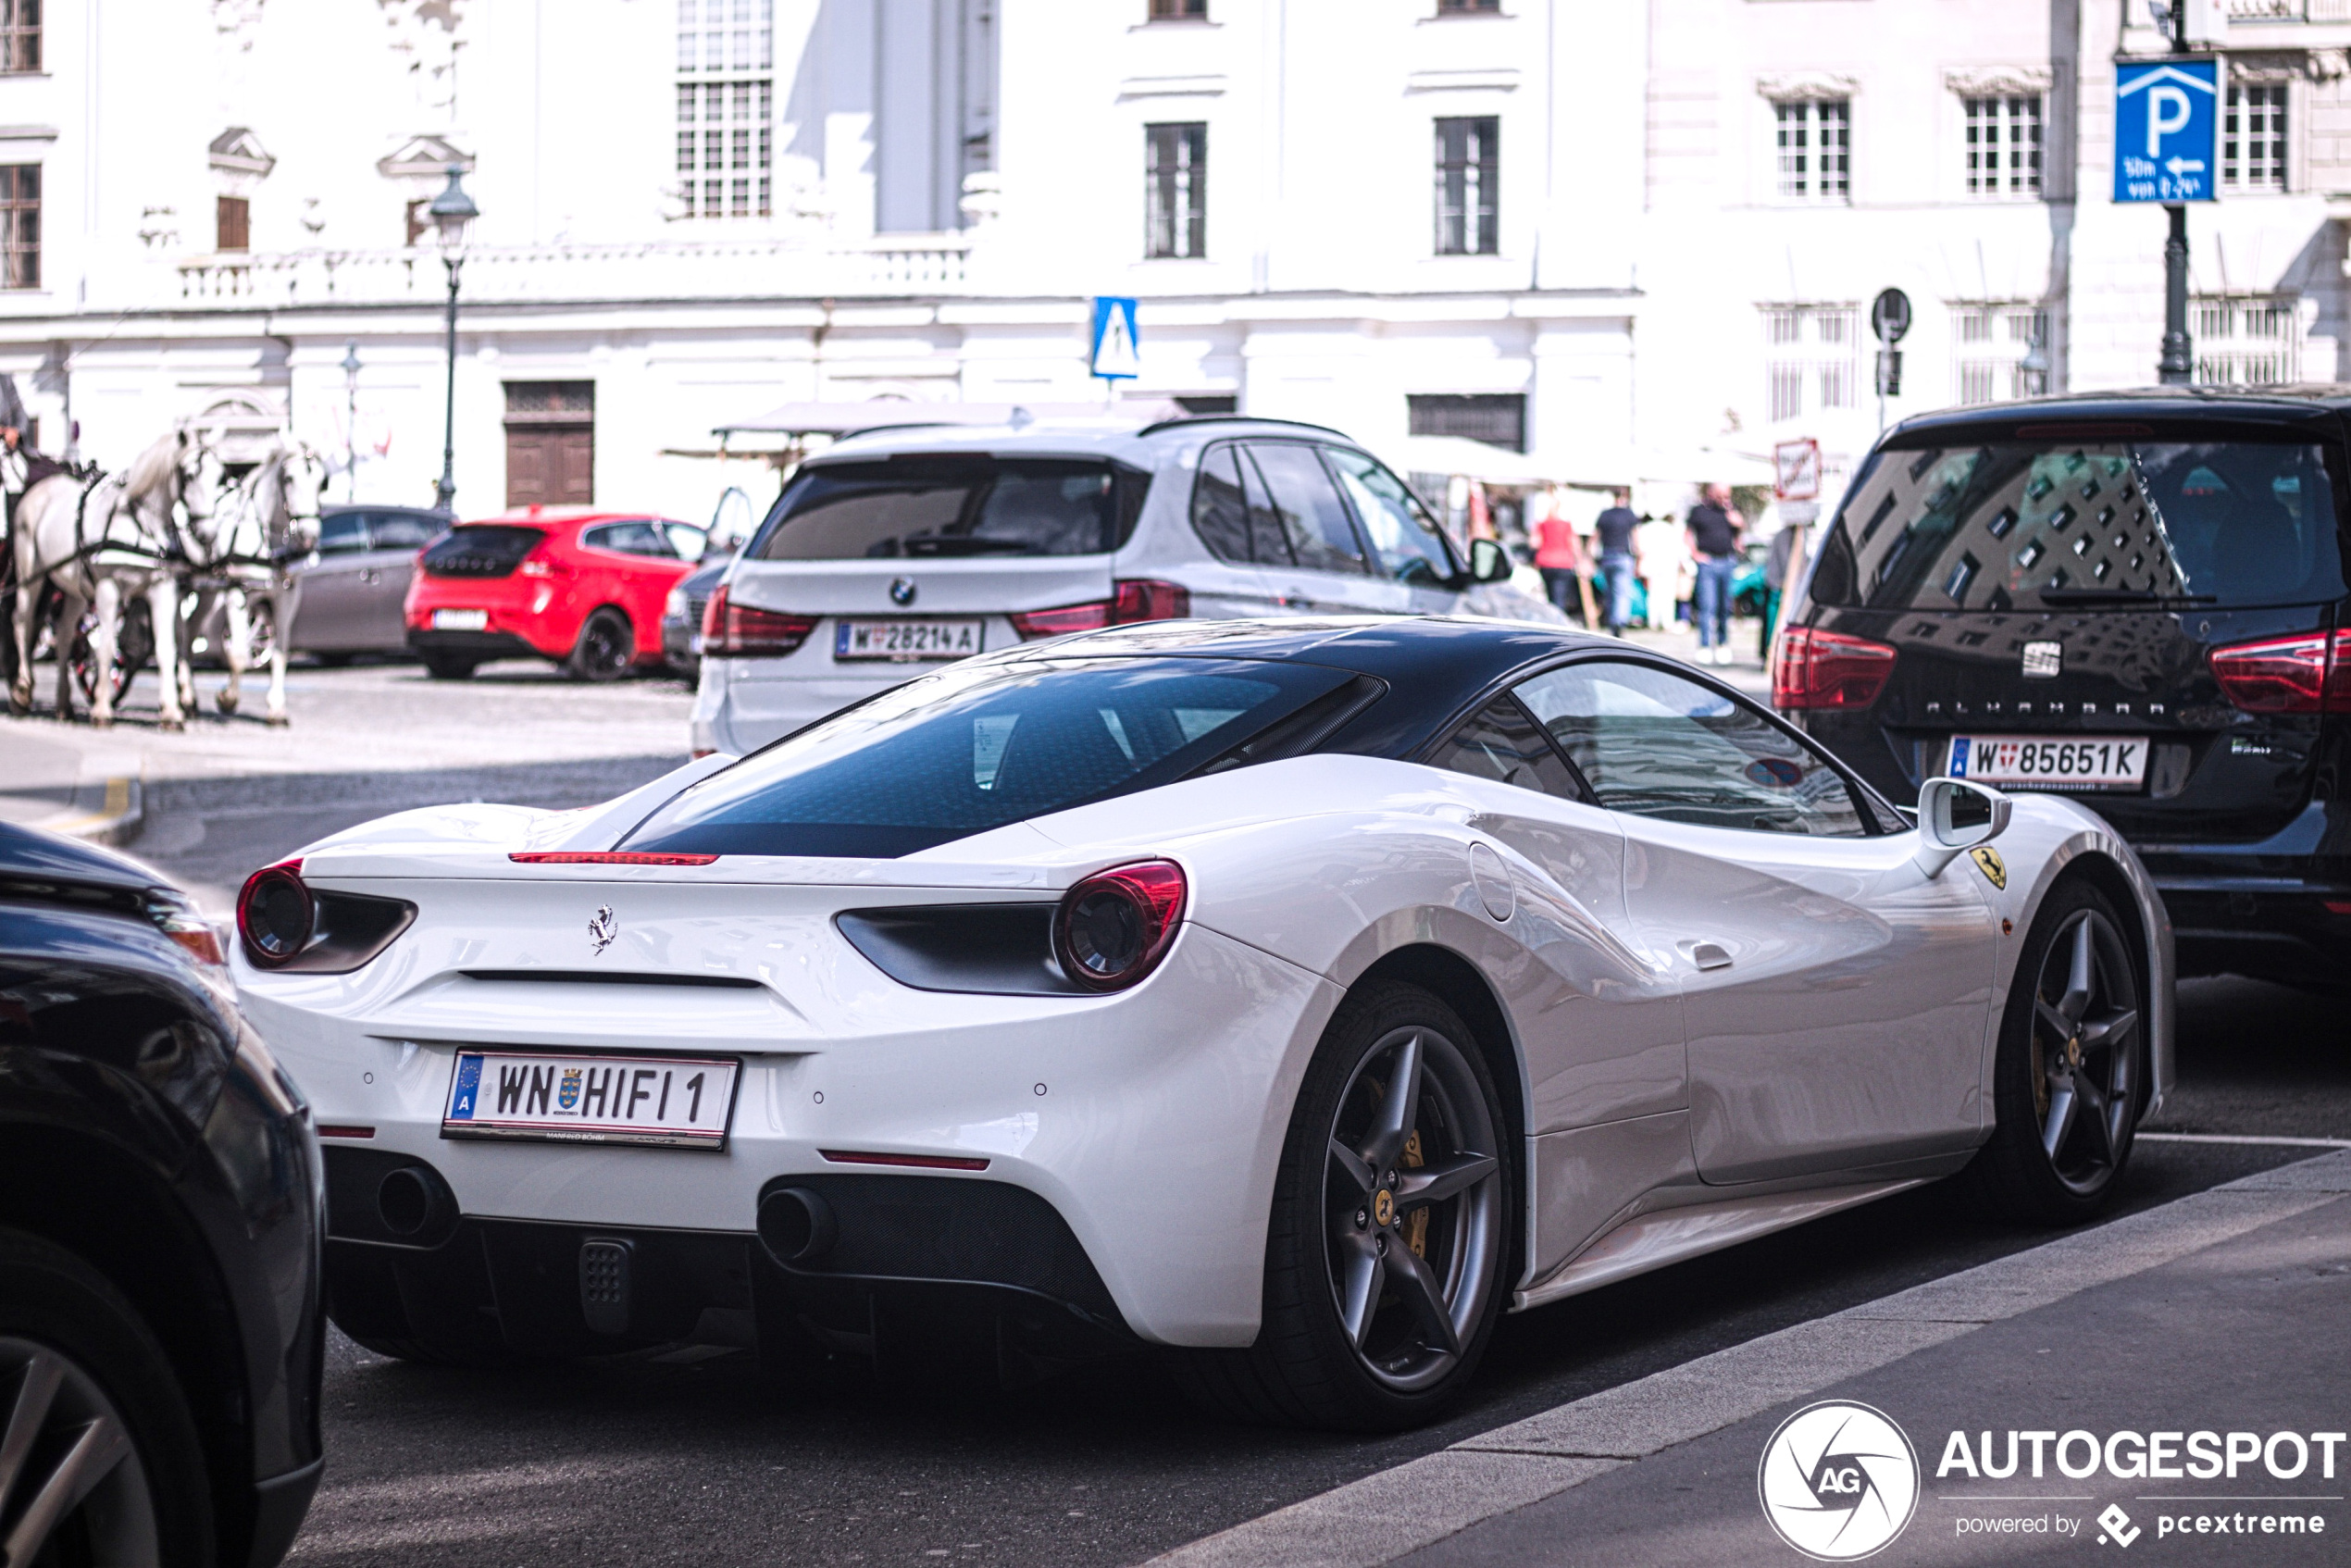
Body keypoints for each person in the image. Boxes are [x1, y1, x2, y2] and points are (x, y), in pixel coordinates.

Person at [1686, 482, 1745, 665]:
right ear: (1711, 494)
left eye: (1727, 495)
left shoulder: (1731, 510)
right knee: (1707, 605)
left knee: (1724, 606)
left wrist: (1737, 521)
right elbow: (1688, 534)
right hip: (1708, 562)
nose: (1724, 499)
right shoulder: (1699, 511)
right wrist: (1695, 554)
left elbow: (1740, 532)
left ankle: (1722, 643)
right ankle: (1704, 645)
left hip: (1727, 561)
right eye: (1721, 495)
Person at [1592, 487, 1640, 633]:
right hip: (1623, 556)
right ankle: (1618, 622)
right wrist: (1638, 556)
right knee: (1621, 592)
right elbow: (1635, 537)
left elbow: (1595, 537)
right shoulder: (1629, 514)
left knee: (1610, 591)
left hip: (1607, 556)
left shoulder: (1604, 515)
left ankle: (1613, 620)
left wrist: (1589, 557)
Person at [1533, 496, 1584, 621]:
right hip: (1563, 563)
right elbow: (1574, 544)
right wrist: (1581, 561)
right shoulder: (1566, 525)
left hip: (1546, 563)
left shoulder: (1542, 524)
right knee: (1559, 597)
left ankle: (1553, 621)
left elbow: (1534, 543)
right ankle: (1558, 623)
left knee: (1551, 597)